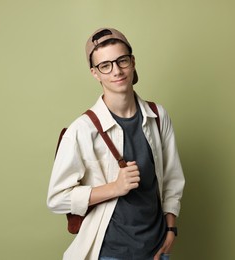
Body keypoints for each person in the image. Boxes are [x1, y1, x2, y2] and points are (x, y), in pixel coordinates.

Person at [47, 28, 185, 260]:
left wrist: (171, 229)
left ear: (132, 61)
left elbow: (172, 178)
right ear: (95, 73)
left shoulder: (157, 116)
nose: (116, 71)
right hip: (110, 252)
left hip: (157, 249)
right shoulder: (81, 130)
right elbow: (56, 199)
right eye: (105, 65)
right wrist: (114, 188)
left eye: (122, 61)